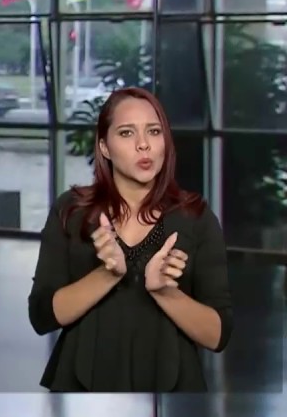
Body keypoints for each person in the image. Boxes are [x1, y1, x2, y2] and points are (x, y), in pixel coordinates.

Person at [28, 86, 233, 392]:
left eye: (154, 131)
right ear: (105, 147)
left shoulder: (196, 218)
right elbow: (42, 316)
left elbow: (218, 335)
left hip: (172, 395)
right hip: (82, 392)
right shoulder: (71, 211)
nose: (143, 145)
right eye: (126, 133)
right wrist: (107, 274)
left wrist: (166, 293)